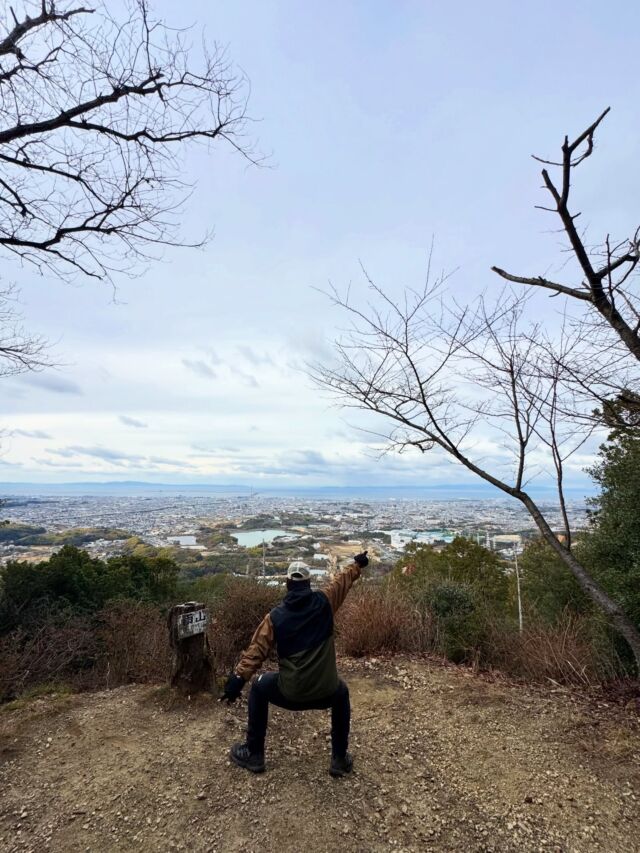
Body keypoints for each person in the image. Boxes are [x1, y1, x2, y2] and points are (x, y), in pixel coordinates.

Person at [221, 551, 369, 777]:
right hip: (325, 692)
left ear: (287, 584)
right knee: (342, 693)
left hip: (290, 692)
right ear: (308, 584)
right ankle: (339, 759)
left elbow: (256, 652)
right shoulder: (325, 602)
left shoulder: (275, 617)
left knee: (259, 688)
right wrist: (357, 564)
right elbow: (343, 581)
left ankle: (254, 755)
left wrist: (237, 681)